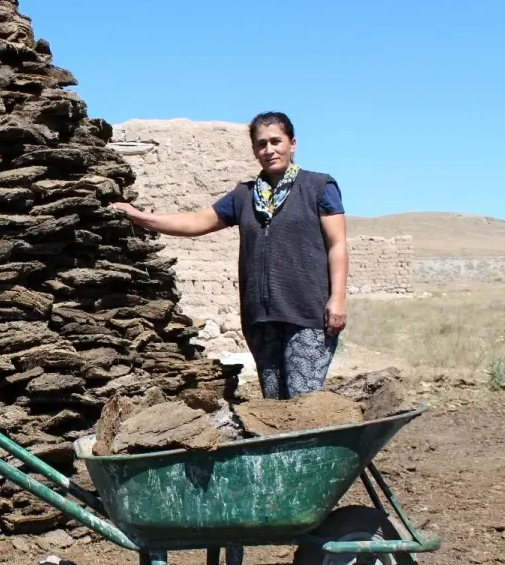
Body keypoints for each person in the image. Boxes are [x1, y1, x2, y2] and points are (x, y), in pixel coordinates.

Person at [112, 111, 348, 400]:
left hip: (307, 314)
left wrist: (338, 298)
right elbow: (197, 222)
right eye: (261, 144)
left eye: (276, 141)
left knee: (304, 401)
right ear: (255, 150)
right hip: (261, 318)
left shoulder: (318, 187)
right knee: (274, 404)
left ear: (293, 144)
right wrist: (141, 218)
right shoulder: (244, 196)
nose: (269, 150)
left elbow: (337, 244)